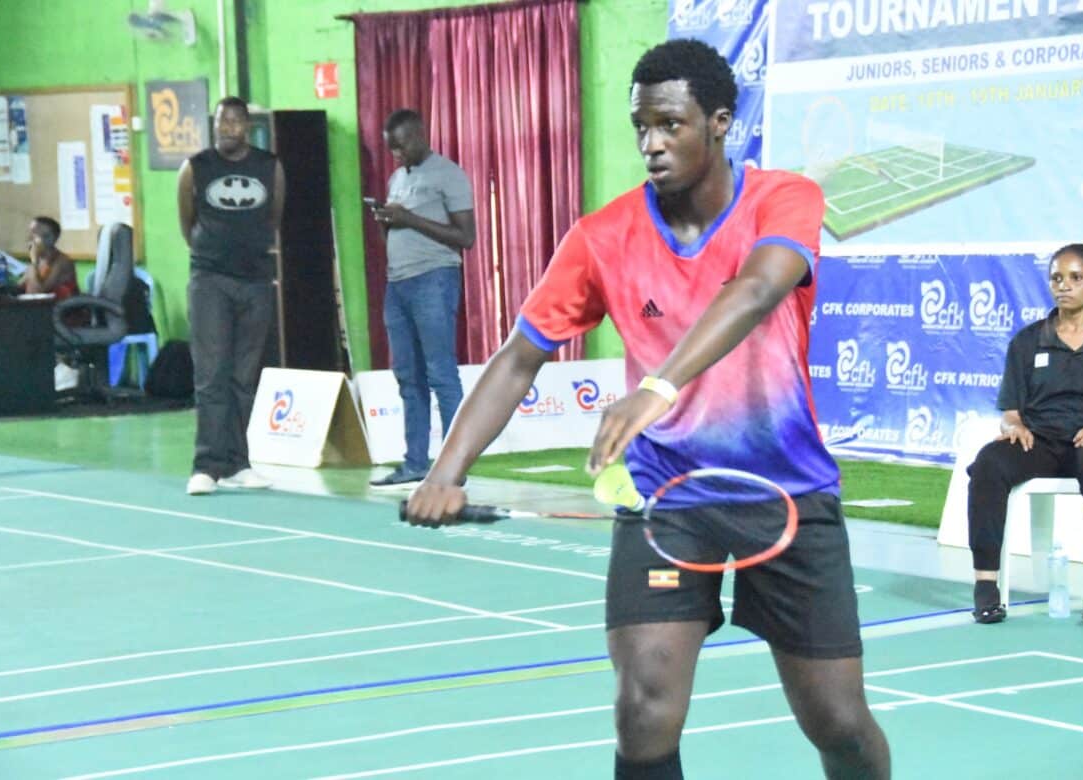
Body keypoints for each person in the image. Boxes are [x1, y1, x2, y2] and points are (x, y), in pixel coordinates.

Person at [402, 39, 890, 779]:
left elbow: (757, 289)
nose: (651, 144)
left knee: (838, 721)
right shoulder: (602, 238)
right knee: (644, 710)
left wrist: (658, 387)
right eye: (640, 127)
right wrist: (447, 470)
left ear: (720, 122)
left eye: (670, 124)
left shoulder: (784, 199)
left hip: (787, 493)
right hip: (666, 498)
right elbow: (519, 357)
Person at [968, 243, 1083, 627]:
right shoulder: (1028, 341)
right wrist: (1014, 428)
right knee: (988, 463)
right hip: (1044, 443)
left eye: (1075, 277)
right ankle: (985, 586)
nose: (1063, 285)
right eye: (1056, 278)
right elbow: (1011, 413)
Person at [177, 96, 285, 496]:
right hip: (210, 279)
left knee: (244, 376)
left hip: (255, 280)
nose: (228, 129)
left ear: (247, 126)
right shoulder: (196, 167)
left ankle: (239, 464)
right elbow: (187, 223)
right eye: (222, 122)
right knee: (211, 375)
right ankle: (206, 465)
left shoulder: (269, 167)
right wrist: (211, 251)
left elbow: (273, 218)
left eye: (235, 122)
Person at [368, 109, 476, 488]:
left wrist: (409, 219)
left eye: (400, 147)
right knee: (408, 377)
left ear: (419, 136)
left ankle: (452, 466)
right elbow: (397, 234)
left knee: (441, 374)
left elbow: (466, 238)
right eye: (391, 149)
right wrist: (386, 222)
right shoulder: (398, 179)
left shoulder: (449, 174)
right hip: (397, 285)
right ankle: (415, 462)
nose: (395, 155)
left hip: (434, 280)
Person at [20, 217, 77, 300]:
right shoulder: (39, 260)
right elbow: (20, 286)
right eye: (30, 233)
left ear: (52, 239)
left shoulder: (62, 261)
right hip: (35, 305)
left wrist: (34, 262)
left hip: (56, 306)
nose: (30, 238)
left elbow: (38, 293)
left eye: (34, 234)